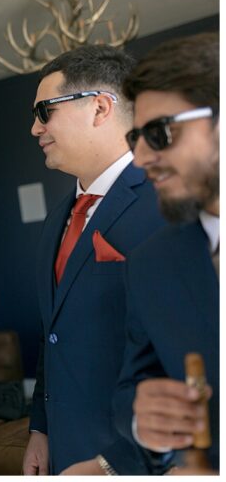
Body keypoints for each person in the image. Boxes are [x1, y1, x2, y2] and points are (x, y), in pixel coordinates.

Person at [24, 46, 165, 475]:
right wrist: (41, 429)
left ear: (100, 107)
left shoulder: (166, 204)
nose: (34, 128)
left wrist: (112, 464)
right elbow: (56, 336)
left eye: (44, 111)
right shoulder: (56, 221)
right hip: (66, 452)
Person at [111, 33, 219, 474]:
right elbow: (132, 389)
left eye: (160, 134)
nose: (139, 158)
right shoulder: (151, 264)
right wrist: (145, 423)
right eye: (137, 137)